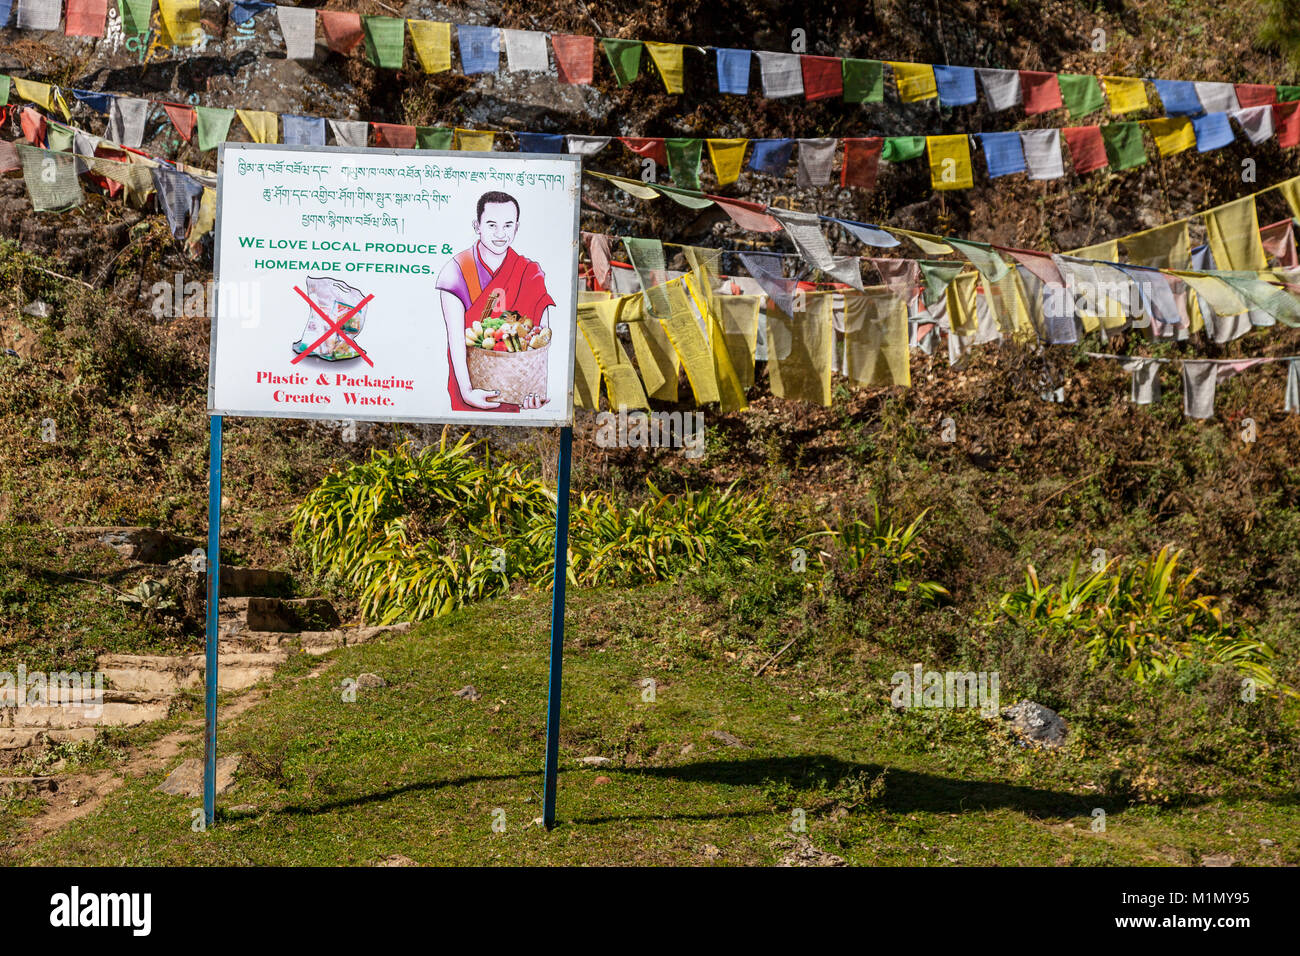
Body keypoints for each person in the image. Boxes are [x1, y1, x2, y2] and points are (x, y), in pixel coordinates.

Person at [436, 190, 555, 411]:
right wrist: (467, 391)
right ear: (477, 226)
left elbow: (541, 336)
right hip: (470, 387)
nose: (500, 233)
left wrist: (536, 389)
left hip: (516, 389)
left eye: (508, 225)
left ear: (516, 227)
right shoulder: (457, 270)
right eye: (491, 225)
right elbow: (455, 338)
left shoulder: (530, 271)